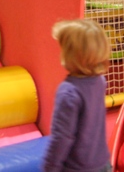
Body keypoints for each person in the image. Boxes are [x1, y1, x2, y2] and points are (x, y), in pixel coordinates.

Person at [42, 19, 112, 172]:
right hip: (102, 162)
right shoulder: (100, 81)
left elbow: (62, 137)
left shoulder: (69, 92)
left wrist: (50, 168)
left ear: (70, 55)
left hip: (77, 168)